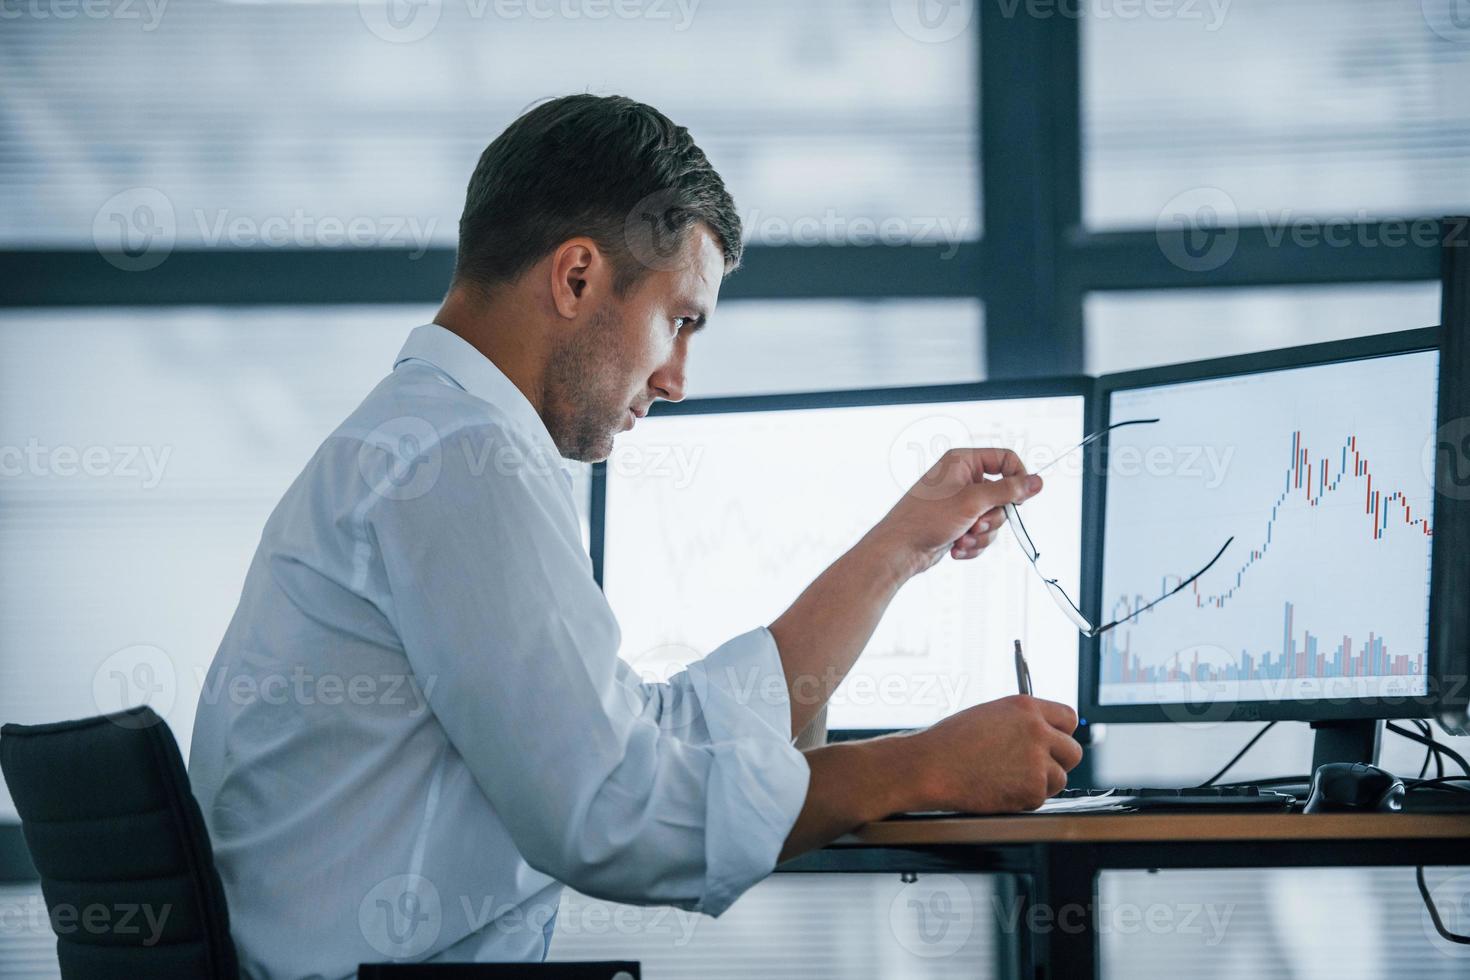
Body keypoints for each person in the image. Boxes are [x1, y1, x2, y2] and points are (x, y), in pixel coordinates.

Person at [188, 93, 1082, 979]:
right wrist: (921, 767)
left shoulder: (428, 438)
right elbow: (613, 816)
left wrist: (900, 548)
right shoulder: (459, 461)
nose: (679, 378)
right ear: (577, 278)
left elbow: (642, 736)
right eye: (680, 321)